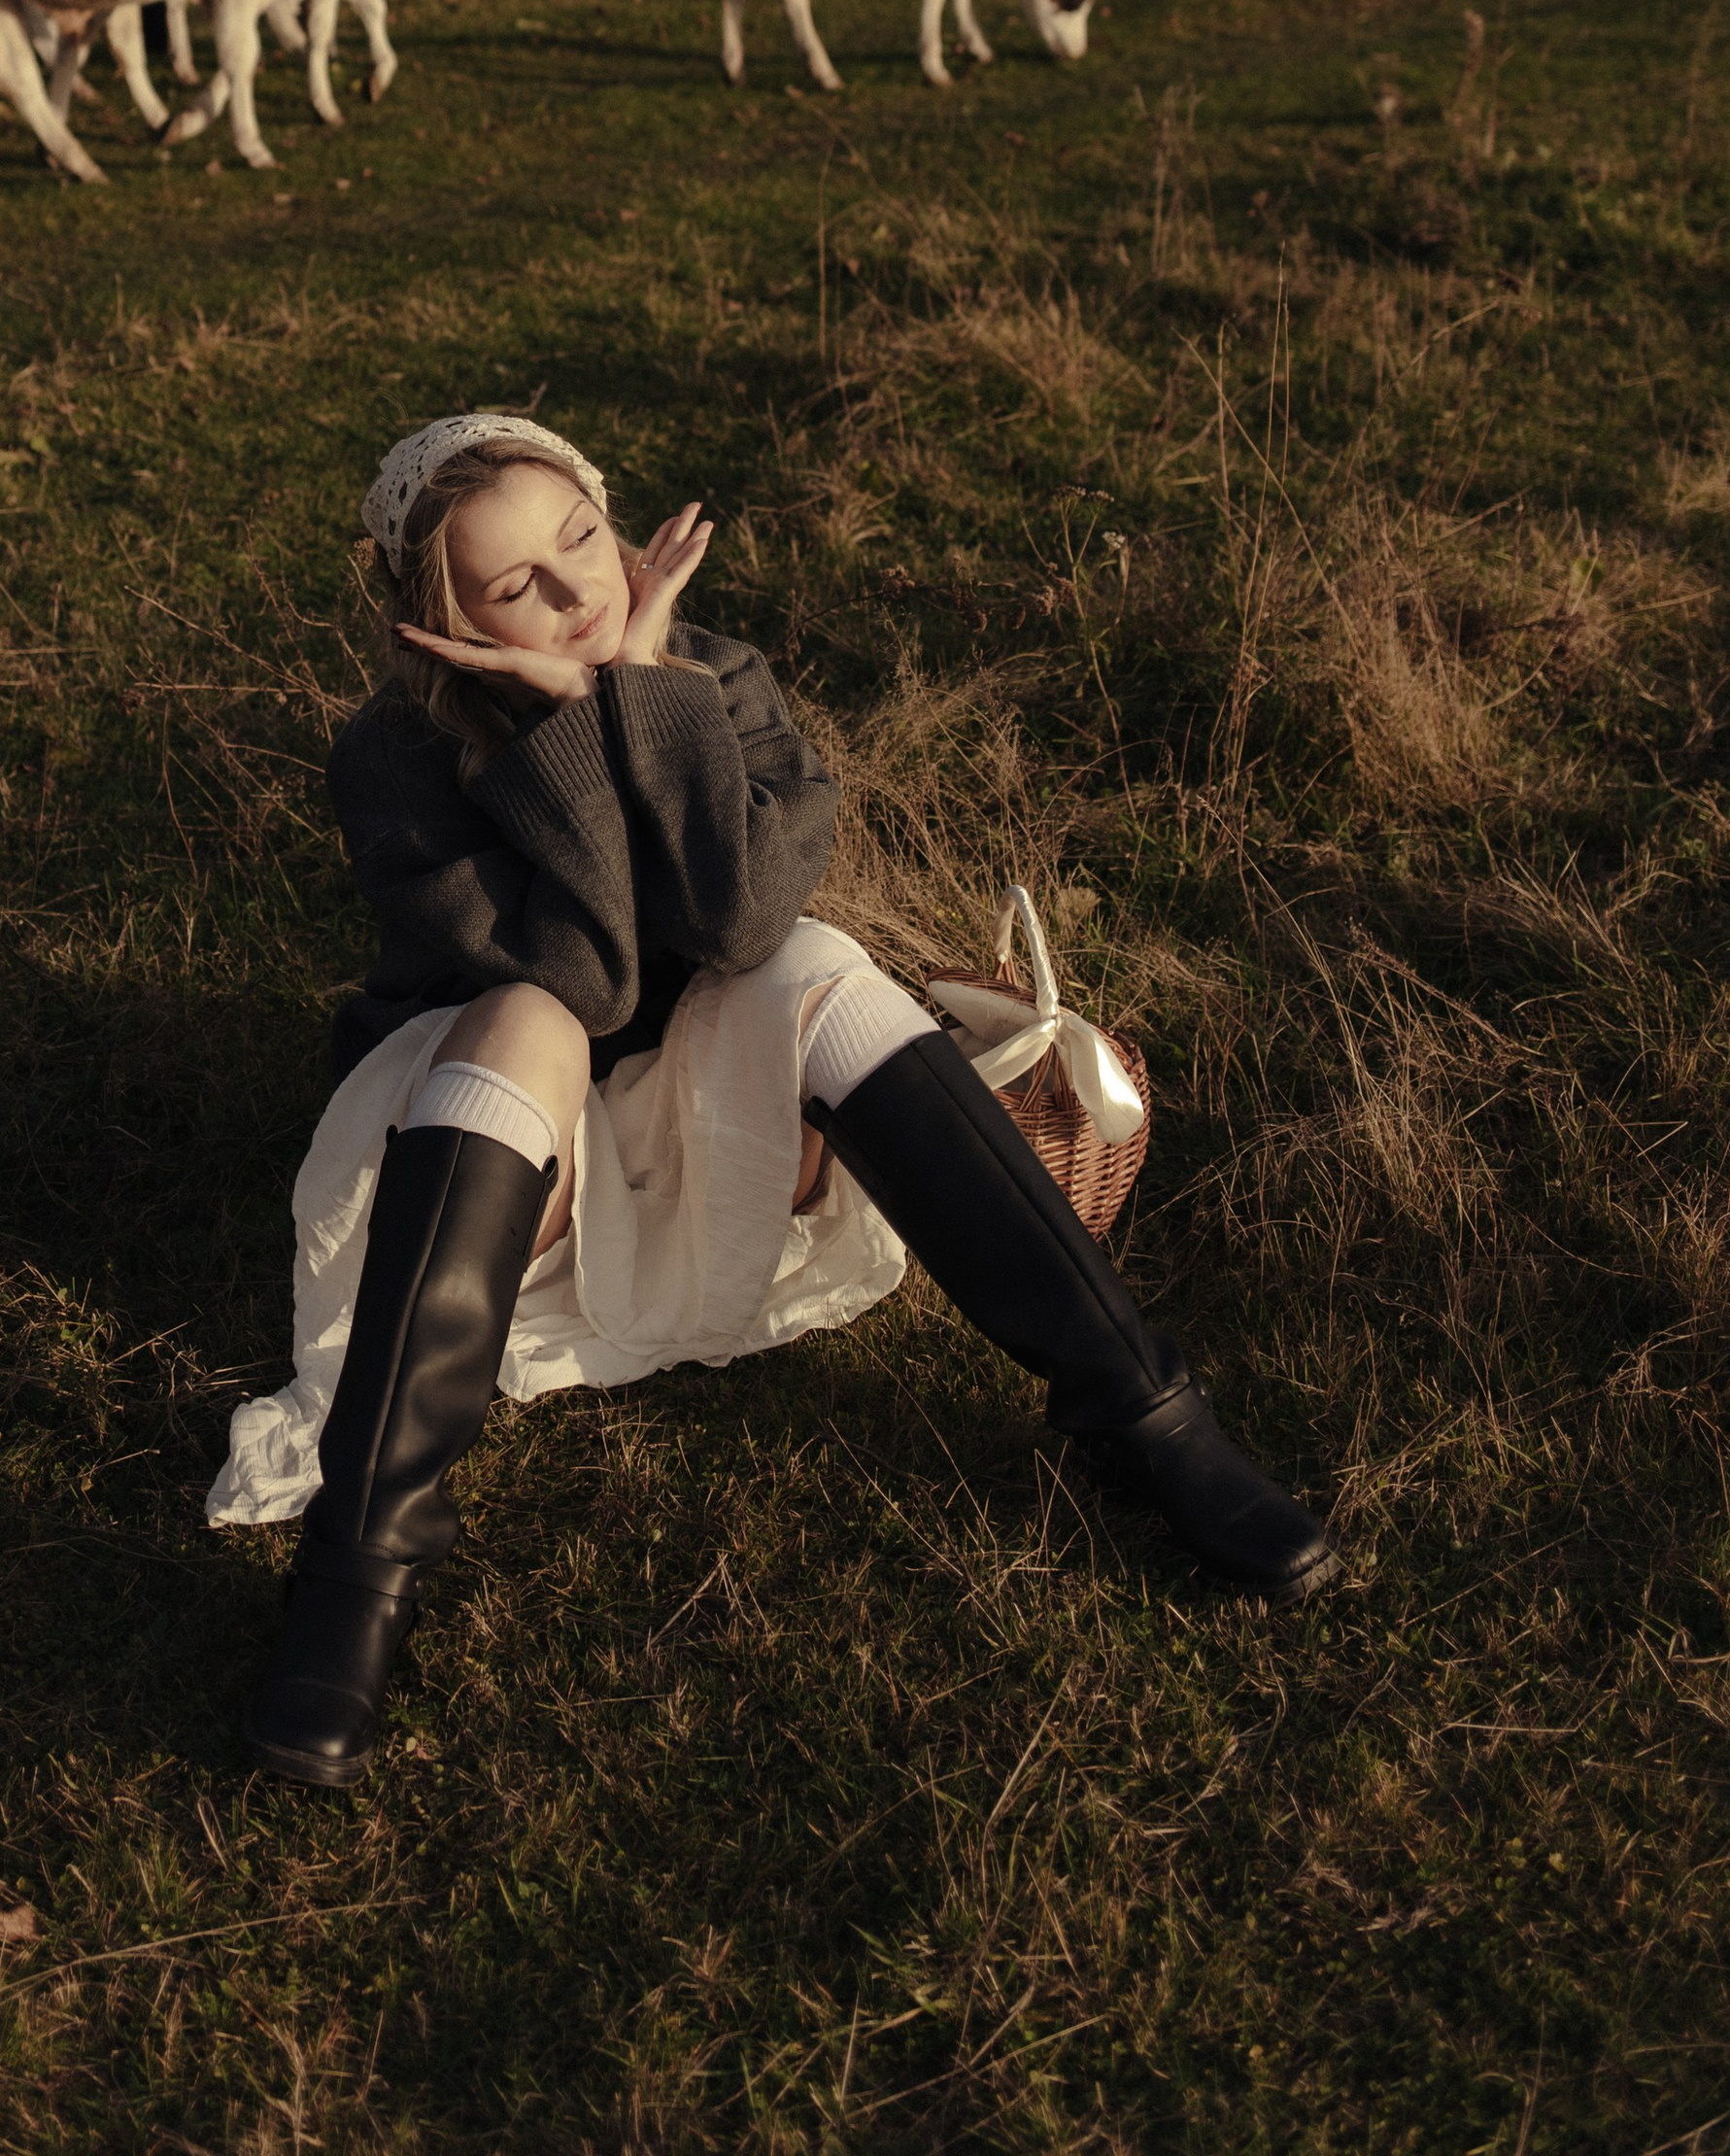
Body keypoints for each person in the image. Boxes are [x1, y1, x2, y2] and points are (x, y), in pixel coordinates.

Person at [218, 411, 1334, 1790]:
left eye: (583, 541)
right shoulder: (396, 752)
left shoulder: (711, 672)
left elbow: (740, 924)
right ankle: (361, 1567)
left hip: (700, 1121)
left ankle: (1144, 1416)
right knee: (526, 1012)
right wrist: (575, 729)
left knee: (813, 960)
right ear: (445, 618)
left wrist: (641, 690)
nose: (581, 595)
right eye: (521, 587)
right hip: (496, 1144)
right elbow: (585, 983)